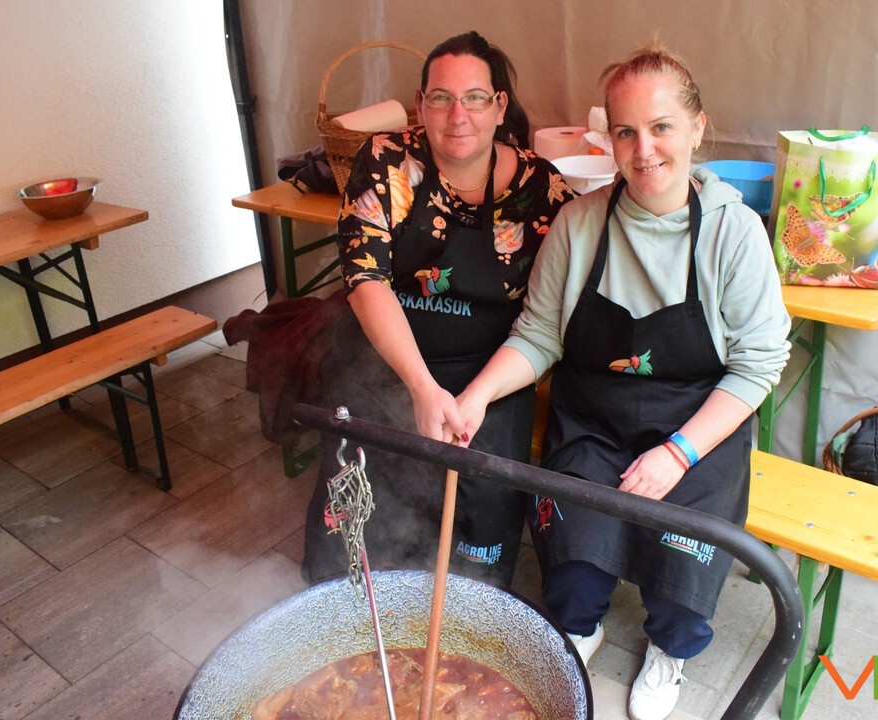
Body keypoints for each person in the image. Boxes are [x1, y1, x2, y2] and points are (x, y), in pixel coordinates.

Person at [454, 44, 791, 720]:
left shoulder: (733, 234)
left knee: (682, 585)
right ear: (608, 138)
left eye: (662, 127)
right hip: (594, 421)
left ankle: (668, 652)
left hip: (697, 427)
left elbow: (757, 365)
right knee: (574, 572)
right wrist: (475, 397)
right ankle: (581, 631)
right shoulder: (580, 224)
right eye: (626, 131)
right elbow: (538, 335)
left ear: (697, 128)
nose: (644, 150)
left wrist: (678, 454)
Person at [302, 31, 574, 588]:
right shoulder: (386, 160)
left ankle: (465, 606)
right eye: (441, 98)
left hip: (491, 376)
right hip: (387, 361)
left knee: (482, 519)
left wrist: (474, 395)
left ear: (499, 105)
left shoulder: (541, 186)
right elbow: (365, 277)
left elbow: (551, 314)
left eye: (474, 98)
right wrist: (421, 387)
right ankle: (354, 601)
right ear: (420, 104)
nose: (457, 115)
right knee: (361, 509)